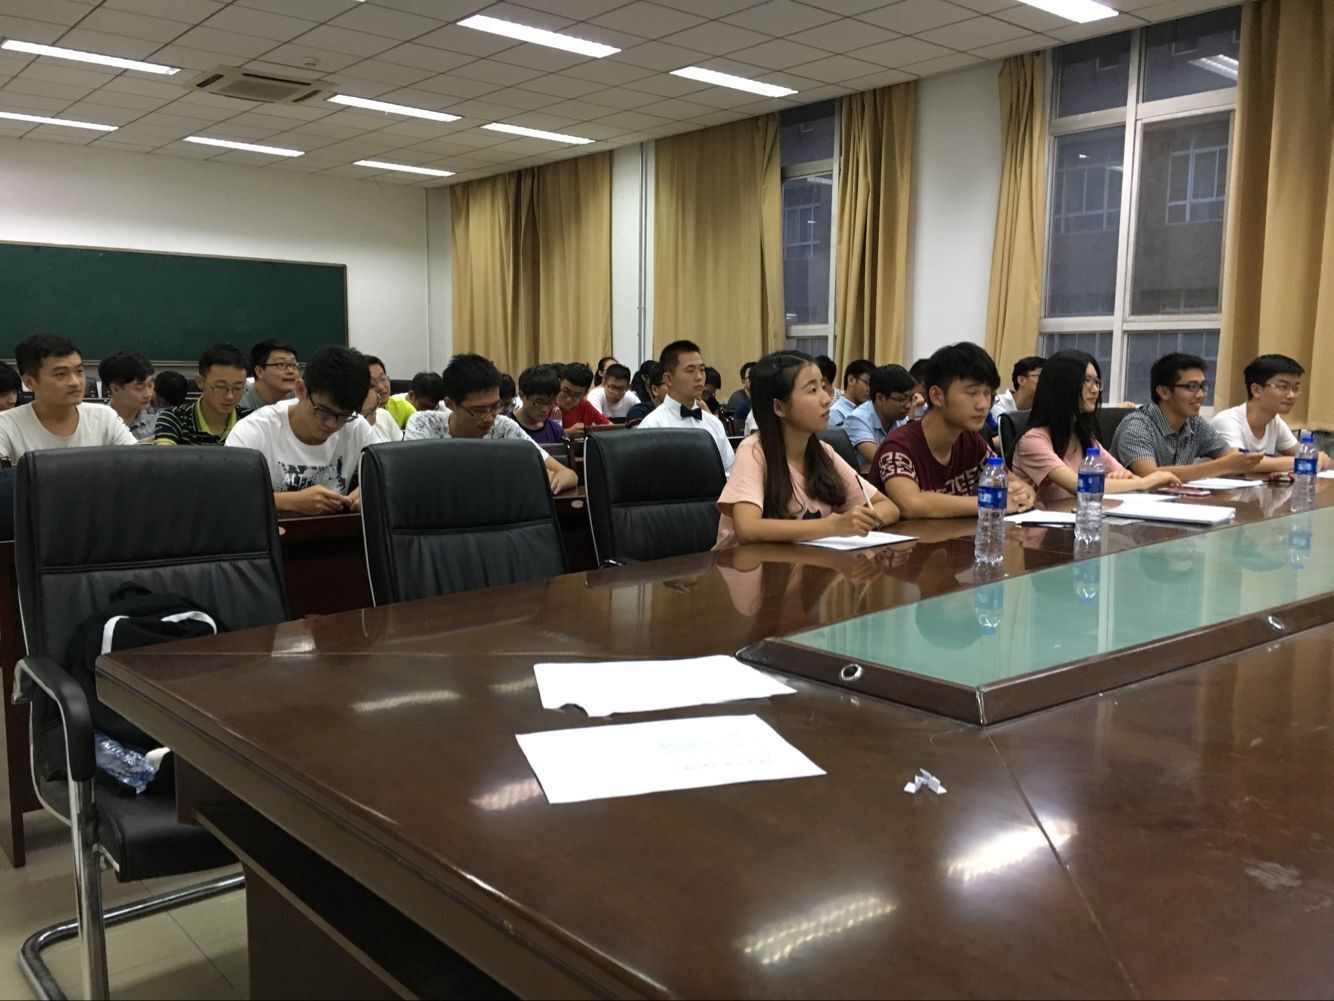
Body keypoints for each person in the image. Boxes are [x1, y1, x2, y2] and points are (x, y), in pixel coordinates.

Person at [715, 351, 898, 548]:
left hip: (807, 561)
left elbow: (888, 507)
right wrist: (832, 526)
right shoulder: (753, 451)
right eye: (812, 390)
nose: (827, 399)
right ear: (779, 407)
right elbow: (748, 529)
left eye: (823, 386)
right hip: (743, 564)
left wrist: (858, 521)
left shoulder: (824, 452)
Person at [871, 342, 1036, 518]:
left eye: (987, 393)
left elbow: (1013, 482)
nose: (983, 404)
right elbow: (910, 504)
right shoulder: (898, 446)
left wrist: (1024, 493)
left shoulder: (971, 440)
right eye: (972, 393)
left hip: (955, 535)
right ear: (937, 396)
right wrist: (991, 501)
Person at [1012, 350, 1180, 503]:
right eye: (1087, 381)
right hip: (1044, 525)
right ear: (1062, 385)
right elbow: (1081, 485)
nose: (1095, 390)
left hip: (1082, 517)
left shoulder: (1082, 436)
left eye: (1097, 382)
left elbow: (1126, 477)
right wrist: (1146, 481)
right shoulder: (1032, 440)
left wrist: (1124, 477)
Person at [226, 345, 375, 515]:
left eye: (343, 415)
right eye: (323, 412)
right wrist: (289, 501)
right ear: (301, 390)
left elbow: (389, 475)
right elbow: (227, 496)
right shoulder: (255, 430)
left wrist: (368, 491)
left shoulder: (356, 426)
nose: (332, 424)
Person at [404, 355, 577, 494]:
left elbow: (567, 474)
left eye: (495, 407)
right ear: (450, 404)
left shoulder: (503, 427)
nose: (489, 418)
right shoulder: (424, 424)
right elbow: (415, 481)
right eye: (478, 410)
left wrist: (554, 481)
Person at [1110, 352, 1264, 482]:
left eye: (1203, 386)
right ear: (1164, 392)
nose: (1201, 395)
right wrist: (1224, 466)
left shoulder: (1195, 423)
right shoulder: (1137, 426)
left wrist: (1244, 462)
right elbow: (1150, 475)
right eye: (1191, 387)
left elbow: (1231, 456)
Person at [0, 333, 136, 463]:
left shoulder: (104, 417)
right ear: (30, 382)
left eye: (79, 371)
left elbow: (137, 464)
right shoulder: (5, 425)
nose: (75, 382)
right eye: (60, 374)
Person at [1210, 354, 1330, 473]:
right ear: (1256, 390)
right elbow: (1238, 462)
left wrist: (1317, 458)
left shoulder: (1274, 421)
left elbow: (1304, 453)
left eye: (1296, 388)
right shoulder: (1227, 421)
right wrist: (1304, 460)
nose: (1291, 395)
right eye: (1283, 387)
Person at [636, 339, 734, 475]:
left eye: (702, 370)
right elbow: (644, 476)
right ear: (668, 379)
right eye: (690, 371)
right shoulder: (652, 425)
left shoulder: (714, 423)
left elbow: (730, 471)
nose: (699, 377)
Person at [154, 343, 251, 446]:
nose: (230, 396)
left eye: (238, 388)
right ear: (200, 382)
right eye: (220, 387)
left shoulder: (251, 422)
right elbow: (164, 454)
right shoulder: (174, 419)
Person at [843, 365, 917, 465]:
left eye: (911, 398)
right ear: (880, 398)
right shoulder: (857, 420)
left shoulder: (901, 418)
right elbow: (882, 459)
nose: (908, 406)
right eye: (901, 399)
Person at [98, 350, 157, 440]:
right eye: (139, 388)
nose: (148, 394)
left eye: (150, 385)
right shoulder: (96, 423)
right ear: (115, 389)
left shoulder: (160, 422)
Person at [510, 364, 567, 443]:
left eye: (550, 402)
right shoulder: (504, 428)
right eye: (539, 402)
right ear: (522, 396)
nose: (545, 409)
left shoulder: (556, 432)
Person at [239, 339, 298, 413]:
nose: (291, 371)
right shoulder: (238, 398)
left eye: (293, 365)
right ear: (259, 372)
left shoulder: (303, 396)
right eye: (280, 364)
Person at [553, 362, 609, 438]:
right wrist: (566, 433)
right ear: (559, 383)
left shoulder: (585, 406)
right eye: (566, 391)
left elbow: (610, 427)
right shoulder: (546, 404)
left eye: (576, 395)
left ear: (585, 393)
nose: (569, 399)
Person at [991, 356, 1044, 424]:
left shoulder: (1040, 410)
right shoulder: (998, 404)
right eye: (1041, 376)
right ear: (1021, 380)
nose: (1046, 381)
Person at [366, 355, 415, 429]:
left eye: (383, 379)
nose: (381, 387)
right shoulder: (355, 417)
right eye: (372, 384)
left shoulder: (402, 407)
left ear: (388, 379)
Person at [829, 359, 875, 427]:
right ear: (851, 380)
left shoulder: (870, 411)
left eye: (872, 385)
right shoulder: (835, 413)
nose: (870, 389)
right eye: (867, 383)